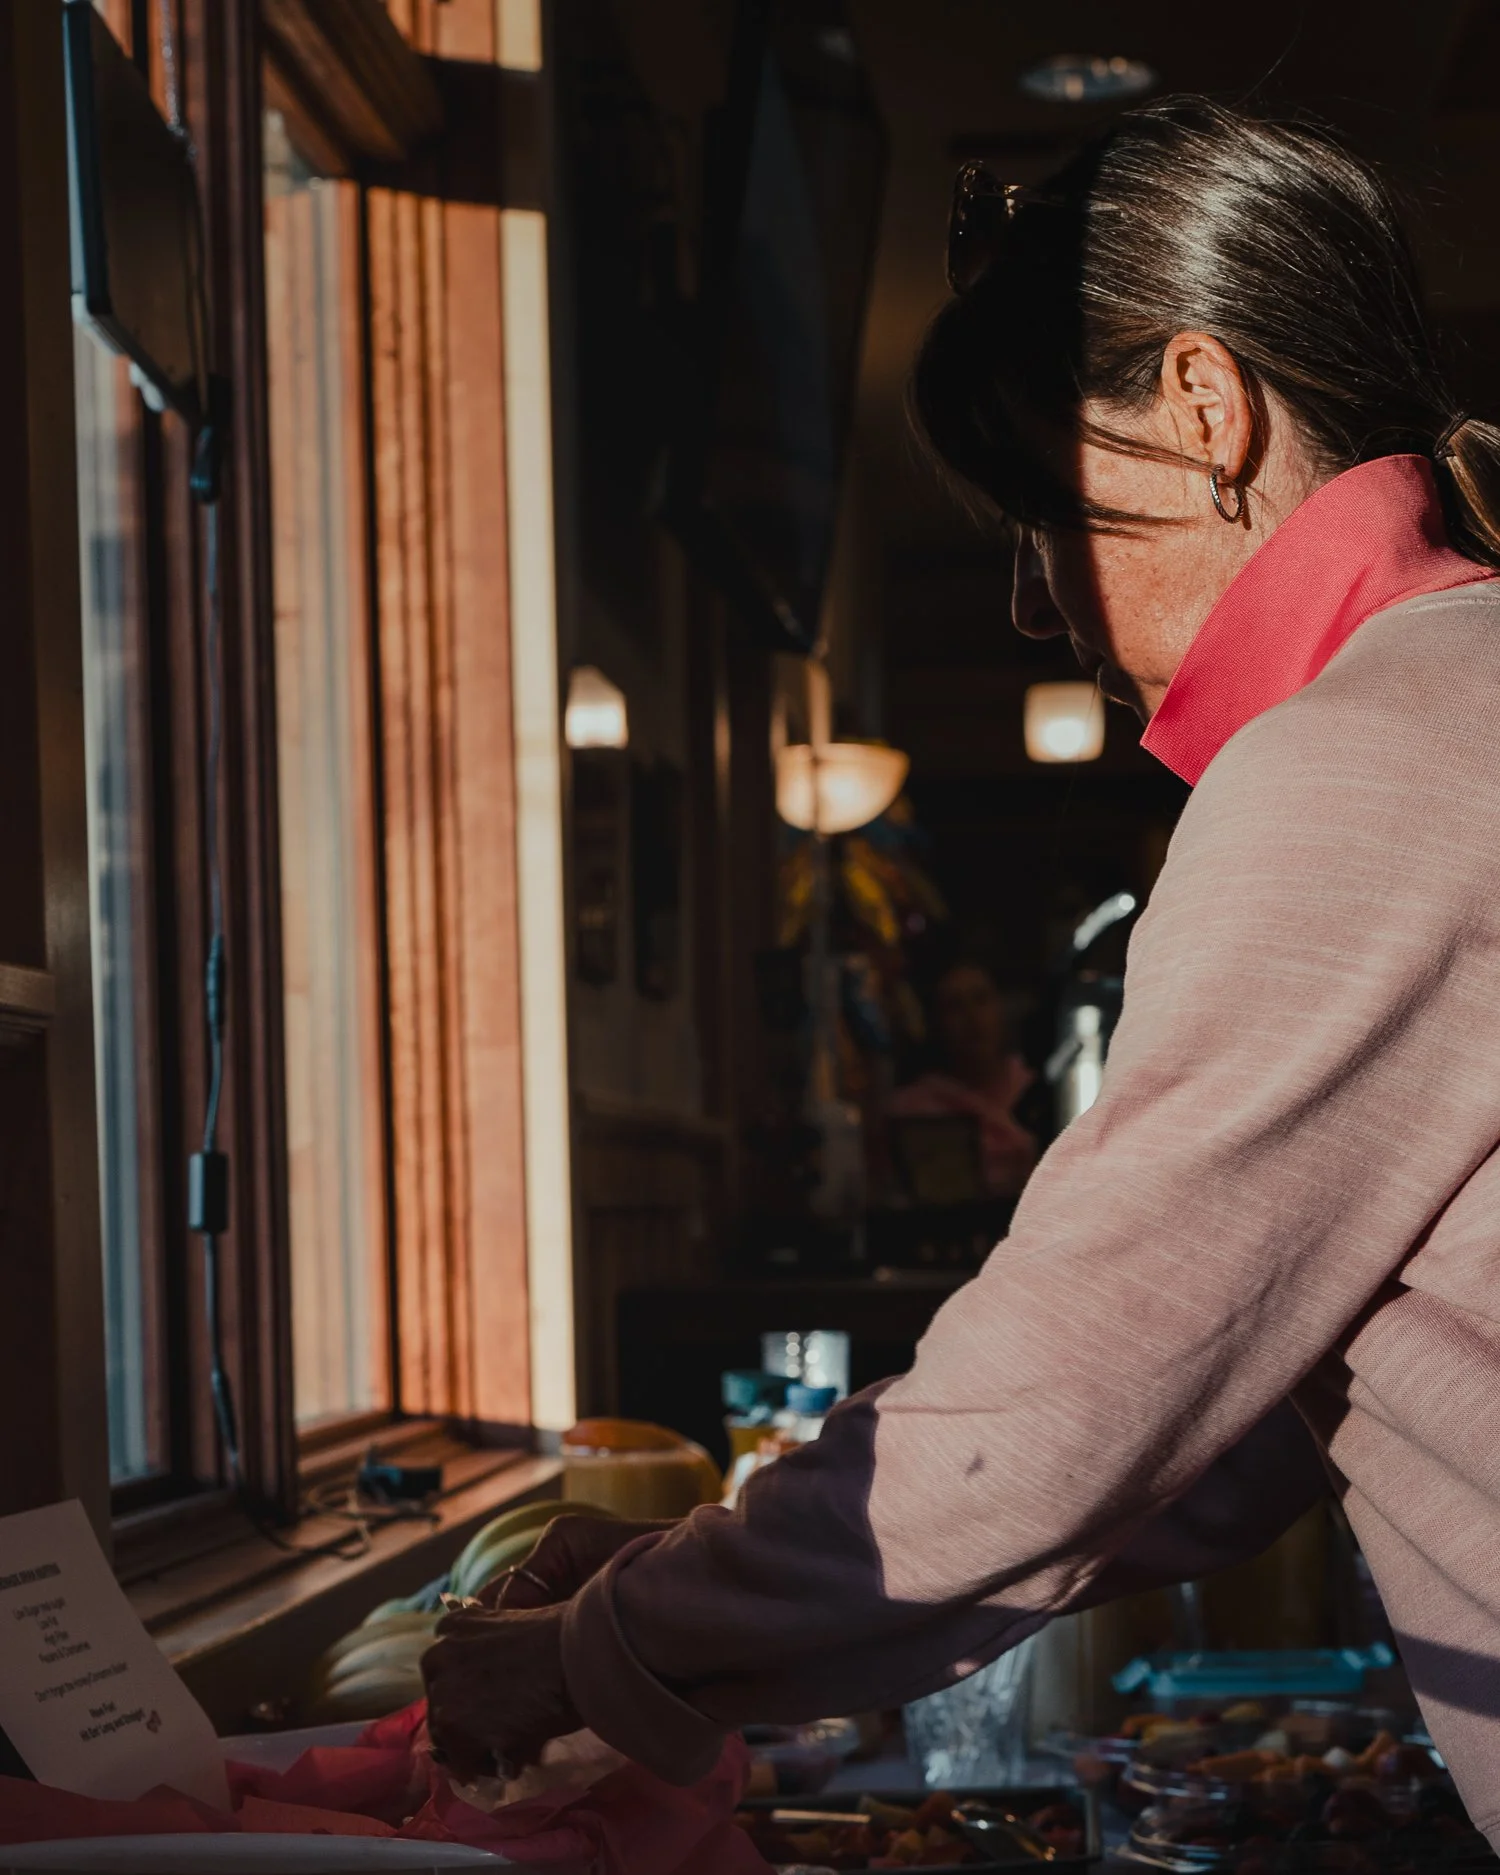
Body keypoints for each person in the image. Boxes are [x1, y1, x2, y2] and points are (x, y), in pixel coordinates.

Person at [425, 98, 1500, 1840]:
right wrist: (689, 1591)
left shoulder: (1364, 758)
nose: (1032, 603)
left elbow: (1078, 1396)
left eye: (1040, 516)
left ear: (1208, 409)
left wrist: (604, 1649)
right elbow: (1210, 1431)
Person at [886, 959, 1037, 1195]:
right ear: (935, 1023)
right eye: (955, 1006)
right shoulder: (914, 1110)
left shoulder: (1041, 1090)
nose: (972, 1017)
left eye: (981, 999)